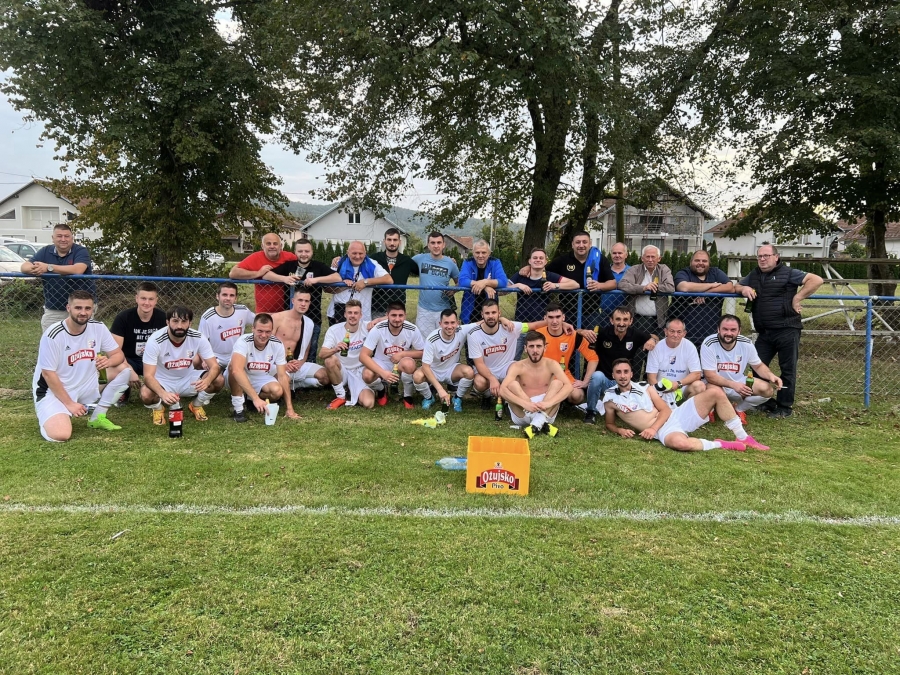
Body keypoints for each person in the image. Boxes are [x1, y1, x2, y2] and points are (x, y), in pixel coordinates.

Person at [603, 358, 770, 452]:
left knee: (715, 393)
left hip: (674, 416)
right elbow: (609, 423)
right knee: (681, 444)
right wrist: (620, 430)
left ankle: (743, 437)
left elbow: (665, 410)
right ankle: (721, 444)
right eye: (618, 372)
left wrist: (652, 428)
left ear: (631, 373)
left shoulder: (645, 388)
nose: (623, 376)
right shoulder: (610, 399)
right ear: (613, 375)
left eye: (626, 372)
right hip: (664, 430)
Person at [734, 244, 824, 418]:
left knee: (787, 370)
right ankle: (764, 401)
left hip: (787, 329)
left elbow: (816, 280)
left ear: (776, 257)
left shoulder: (788, 273)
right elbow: (736, 286)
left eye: (766, 256)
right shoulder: (754, 274)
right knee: (756, 366)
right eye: (759, 256)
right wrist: (743, 288)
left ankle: (784, 407)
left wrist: (797, 297)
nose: (762, 259)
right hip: (764, 332)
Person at [32, 290, 131, 441]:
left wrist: (109, 361)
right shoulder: (53, 335)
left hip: (85, 384)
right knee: (61, 435)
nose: (83, 312)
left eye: (87, 308)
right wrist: (70, 404)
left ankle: (97, 417)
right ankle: (53, 412)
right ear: (68, 308)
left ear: (93, 309)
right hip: (54, 391)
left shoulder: (98, 327)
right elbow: (48, 374)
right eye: (78, 308)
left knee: (123, 370)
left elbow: (118, 355)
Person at [141, 306, 224, 424]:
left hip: (188, 379)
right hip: (163, 381)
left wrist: (207, 381)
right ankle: (158, 409)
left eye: (184, 321)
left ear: (190, 323)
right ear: (167, 322)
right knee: (146, 394)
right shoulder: (155, 340)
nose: (179, 326)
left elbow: (215, 366)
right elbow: (148, 376)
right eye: (175, 321)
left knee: (219, 380)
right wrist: (162, 393)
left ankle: (196, 405)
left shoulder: (198, 337)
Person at [583, 306, 659, 424]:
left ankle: (621, 408)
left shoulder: (635, 334)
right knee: (597, 376)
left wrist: (652, 340)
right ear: (611, 320)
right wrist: (582, 331)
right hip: (605, 380)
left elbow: (655, 337)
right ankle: (590, 412)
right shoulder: (603, 333)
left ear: (631, 321)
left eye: (625, 319)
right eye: (618, 319)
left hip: (623, 382)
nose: (621, 323)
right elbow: (577, 333)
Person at [268, 238, 341, 359]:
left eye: (307, 251)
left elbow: (337, 277)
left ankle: (308, 366)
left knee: (310, 351)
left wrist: (316, 280)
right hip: (289, 317)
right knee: (287, 350)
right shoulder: (289, 266)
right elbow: (266, 275)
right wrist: (284, 278)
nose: (303, 254)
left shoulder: (318, 266)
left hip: (313, 317)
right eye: (300, 251)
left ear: (312, 252)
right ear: (295, 252)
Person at [701, 315, 783, 420]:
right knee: (711, 390)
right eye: (725, 329)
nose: (729, 333)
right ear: (718, 329)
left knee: (767, 390)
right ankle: (711, 409)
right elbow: (710, 376)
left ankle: (739, 409)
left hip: (738, 383)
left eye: (733, 330)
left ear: (739, 331)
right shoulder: (709, 343)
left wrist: (771, 375)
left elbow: (758, 366)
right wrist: (733, 385)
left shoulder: (746, 343)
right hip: (716, 384)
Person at [20, 223, 96, 332]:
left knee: (81, 338)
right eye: (59, 236)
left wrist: (48, 267)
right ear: (53, 238)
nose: (63, 239)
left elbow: (78, 269)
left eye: (66, 236)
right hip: (54, 307)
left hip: (81, 306)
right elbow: (24, 267)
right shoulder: (45, 251)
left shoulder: (80, 251)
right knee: (51, 337)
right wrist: (36, 269)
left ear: (72, 237)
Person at [499, 330, 573, 439]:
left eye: (538, 346)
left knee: (558, 383)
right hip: (523, 412)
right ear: (525, 348)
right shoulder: (517, 366)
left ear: (545, 348)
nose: (535, 350)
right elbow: (502, 390)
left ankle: (537, 423)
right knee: (512, 384)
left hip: (546, 410)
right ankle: (541, 423)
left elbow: (569, 386)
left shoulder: (552, 364)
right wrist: (525, 404)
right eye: (531, 346)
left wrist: (548, 403)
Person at [228, 313, 300, 423]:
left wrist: (290, 409)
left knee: (277, 391)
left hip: (261, 375)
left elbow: (282, 376)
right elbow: (236, 370)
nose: (264, 335)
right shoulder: (243, 341)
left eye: (267, 332)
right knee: (234, 368)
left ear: (272, 331)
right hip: (242, 374)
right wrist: (256, 399)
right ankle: (238, 409)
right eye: (260, 331)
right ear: (253, 329)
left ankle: (249, 398)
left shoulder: (277, 344)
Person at [508, 247, 579, 358]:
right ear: (529, 261)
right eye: (535, 258)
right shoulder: (521, 276)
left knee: (541, 359)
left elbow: (575, 284)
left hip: (542, 326)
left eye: (541, 258)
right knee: (512, 359)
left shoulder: (550, 276)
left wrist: (555, 285)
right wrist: (517, 285)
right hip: (522, 325)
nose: (538, 260)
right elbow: (502, 290)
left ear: (546, 261)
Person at [107, 281, 167, 405]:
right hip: (130, 359)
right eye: (143, 298)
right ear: (136, 298)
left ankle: (159, 389)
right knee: (115, 365)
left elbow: (169, 347)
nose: (147, 303)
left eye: (151, 299)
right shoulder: (123, 318)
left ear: (156, 300)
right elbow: (114, 352)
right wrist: (129, 369)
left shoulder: (163, 318)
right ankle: (122, 391)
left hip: (154, 360)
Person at [359, 301, 425, 408]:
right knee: (367, 375)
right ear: (387, 315)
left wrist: (403, 354)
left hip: (401, 363)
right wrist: (383, 373)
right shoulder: (378, 329)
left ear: (405, 316)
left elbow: (423, 353)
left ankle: (407, 396)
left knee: (409, 364)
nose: (397, 319)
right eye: (393, 315)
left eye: (400, 315)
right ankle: (381, 390)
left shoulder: (412, 329)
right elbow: (363, 356)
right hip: (382, 362)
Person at [545, 230, 616, 328]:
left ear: (590, 244)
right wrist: (529, 268)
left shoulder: (599, 259)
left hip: (592, 313)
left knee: (591, 338)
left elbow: (613, 283)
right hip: (568, 312)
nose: (581, 245)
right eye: (578, 242)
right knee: (569, 338)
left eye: (584, 242)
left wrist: (599, 285)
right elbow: (543, 273)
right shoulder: (563, 260)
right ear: (572, 245)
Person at [468, 299, 531, 405]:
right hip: (486, 369)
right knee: (479, 382)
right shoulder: (473, 333)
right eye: (487, 313)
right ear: (482, 314)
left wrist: (552, 322)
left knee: (519, 371)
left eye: (494, 312)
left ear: (499, 313)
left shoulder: (510, 326)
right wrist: (492, 379)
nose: (490, 316)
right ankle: (487, 395)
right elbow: (479, 364)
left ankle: (508, 399)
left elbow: (533, 325)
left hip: (504, 367)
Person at [535, 303, 598, 407]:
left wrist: (585, 381)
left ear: (563, 317)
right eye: (551, 317)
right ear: (545, 318)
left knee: (577, 396)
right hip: (541, 376)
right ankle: (553, 402)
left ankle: (559, 402)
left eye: (558, 317)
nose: (554, 321)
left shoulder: (572, 335)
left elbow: (593, 358)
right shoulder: (538, 334)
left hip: (563, 376)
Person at [413, 309, 477, 412]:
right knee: (417, 376)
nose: (449, 326)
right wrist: (440, 389)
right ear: (440, 324)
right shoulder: (432, 339)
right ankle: (429, 398)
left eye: (452, 322)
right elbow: (425, 367)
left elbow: (482, 323)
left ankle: (457, 398)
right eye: (446, 323)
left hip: (451, 370)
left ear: (457, 323)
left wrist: (501, 319)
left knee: (469, 372)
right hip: (433, 370)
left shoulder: (461, 330)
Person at [319, 299, 375, 409]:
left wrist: (377, 320)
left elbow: (389, 319)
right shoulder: (334, 330)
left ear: (361, 315)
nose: (352, 316)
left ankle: (354, 390)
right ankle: (341, 396)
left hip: (360, 370)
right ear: (345, 314)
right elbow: (322, 354)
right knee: (329, 360)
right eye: (350, 313)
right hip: (342, 371)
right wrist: (335, 349)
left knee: (368, 403)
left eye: (356, 313)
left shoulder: (367, 327)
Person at [271, 287, 329, 392]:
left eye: (306, 301)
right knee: (279, 384)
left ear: (309, 303)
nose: (303, 304)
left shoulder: (309, 323)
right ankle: (287, 384)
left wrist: (300, 363)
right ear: (293, 301)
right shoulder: (277, 318)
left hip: (296, 364)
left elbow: (306, 350)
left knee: (325, 377)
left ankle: (295, 385)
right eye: (300, 300)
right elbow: (266, 346)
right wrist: (282, 365)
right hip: (276, 365)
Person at [672, 250, 734, 348]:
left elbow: (730, 287)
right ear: (691, 262)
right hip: (684, 334)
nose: (700, 263)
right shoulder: (683, 273)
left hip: (711, 333)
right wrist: (711, 285)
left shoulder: (716, 272)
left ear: (709, 263)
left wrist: (705, 293)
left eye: (704, 261)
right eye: (697, 260)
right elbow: (684, 287)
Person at [229, 232, 297, 313]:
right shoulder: (256, 257)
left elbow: (303, 267)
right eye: (268, 244)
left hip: (287, 310)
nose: (272, 246)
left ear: (280, 246)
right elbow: (233, 273)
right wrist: (258, 273)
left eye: (275, 244)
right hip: (264, 311)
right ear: (262, 246)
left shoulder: (290, 257)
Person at [645, 317, 706, 408]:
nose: (675, 335)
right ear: (665, 331)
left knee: (700, 386)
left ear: (684, 333)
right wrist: (660, 392)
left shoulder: (690, 346)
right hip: (661, 390)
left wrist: (678, 384)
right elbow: (651, 378)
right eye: (672, 331)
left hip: (681, 389)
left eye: (679, 332)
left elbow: (696, 374)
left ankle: (686, 410)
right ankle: (662, 406)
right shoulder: (656, 347)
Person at [329, 241, 393, 324]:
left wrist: (366, 282)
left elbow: (389, 280)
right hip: (338, 312)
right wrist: (343, 284)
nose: (357, 256)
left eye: (360, 253)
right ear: (347, 252)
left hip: (362, 316)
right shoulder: (338, 263)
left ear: (365, 253)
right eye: (354, 253)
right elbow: (327, 289)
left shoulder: (372, 264)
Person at [198, 282, 255, 374]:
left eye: (231, 295)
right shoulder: (208, 317)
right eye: (224, 295)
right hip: (216, 355)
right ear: (217, 296)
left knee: (241, 374)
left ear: (236, 298)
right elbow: (200, 342)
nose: (228, 298)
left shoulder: (243, 311)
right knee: (217, 379)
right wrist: (205, 360)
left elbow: (259, 322)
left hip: (237, 353)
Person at [618, 245, 675, 334]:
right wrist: (643, 288)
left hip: (658, 320)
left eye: (653, 257)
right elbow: (622, 284)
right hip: (636, 319)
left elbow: (670, 287)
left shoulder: (664, 269)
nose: (650, 260)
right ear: (642, 258)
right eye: (647, 257)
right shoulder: (634, 269)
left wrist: (654, 287)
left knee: (656, 342)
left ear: (659, 258)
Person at [412, 232, 460, 335]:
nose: (436, 246)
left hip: (444, 310)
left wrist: (454, 290)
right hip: (424, 309)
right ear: (428, 245)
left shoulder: (450, 263)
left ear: (443, 245)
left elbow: (459, 282)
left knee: (444, 339)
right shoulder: (419, 258)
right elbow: (403, 264)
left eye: (439, 242)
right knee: (424, 341)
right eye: (433, 243)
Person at [371, 228, 419, 316]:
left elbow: (423, 272)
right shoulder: (374, 259)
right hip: (377, 308)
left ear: (399, 242)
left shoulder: (406, 261)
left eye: (395, 240)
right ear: (384, 241)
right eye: (389, 240)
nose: (392, 243)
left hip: (398, 310)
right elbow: (357, 261)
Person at [458, 240, 508, 323]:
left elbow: (503, 281)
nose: (480, 255)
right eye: (477, 252)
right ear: (473, 253)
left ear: (489, 253)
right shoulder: (467, 262)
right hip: (469, 311)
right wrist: (484, 286)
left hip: (490, 312)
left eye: (484, 252)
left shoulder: (495, 262)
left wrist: (485, 282)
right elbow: (462, 280)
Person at [600, 242, 630, 328]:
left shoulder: (632, 271)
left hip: (625, 315)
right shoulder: (603, 271)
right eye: (614, 253)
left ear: (626, 255)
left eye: (620, 253)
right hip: (605, 314)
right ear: (611, 255)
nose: (617, 255)